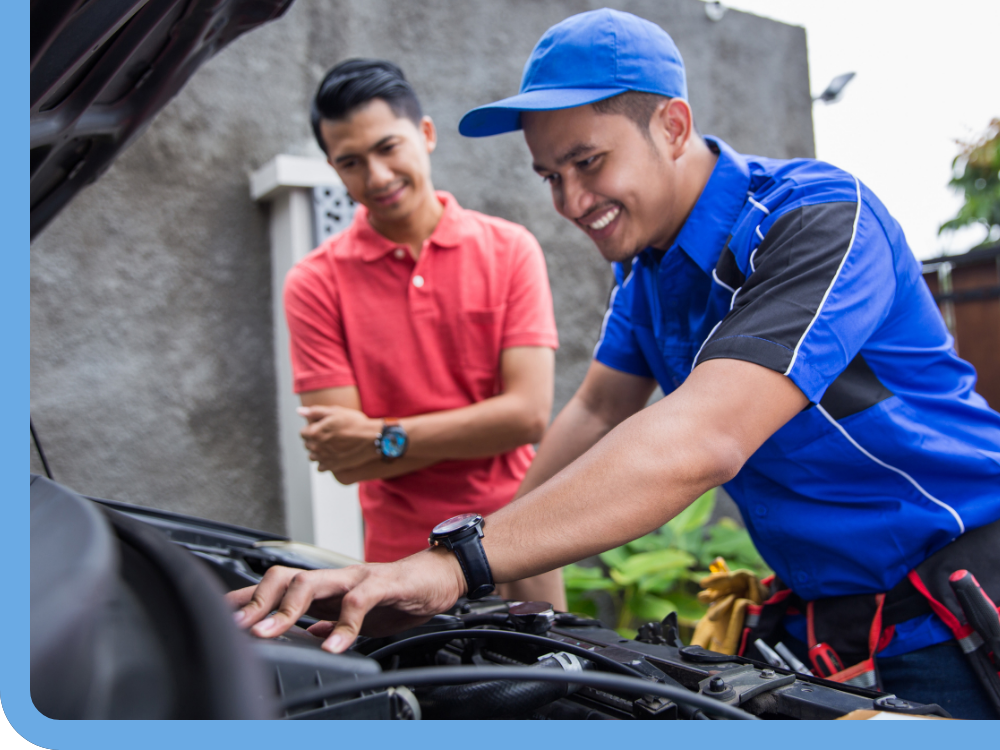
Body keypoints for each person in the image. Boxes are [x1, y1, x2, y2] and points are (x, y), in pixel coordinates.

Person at [231, 11, 1000, 717]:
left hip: (954, 604)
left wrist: (457, 564)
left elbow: (704, 434)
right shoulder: (646, 272)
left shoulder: (817, 222)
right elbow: (597, 412)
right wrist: (483, 574)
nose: (569, 200)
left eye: (588, 162)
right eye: (549, 175)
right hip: (827, 620)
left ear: (672, 124)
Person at [283, 58, 564, 605]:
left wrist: (385, 437)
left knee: (552, 690)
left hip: (519, 542)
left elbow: (526, 417)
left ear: (426, 134)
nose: (378, 177)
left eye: (389, 148)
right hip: (399, 561)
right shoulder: (314, 283)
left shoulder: (510, 250)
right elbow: (345, 460)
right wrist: (478, 429)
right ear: (334, 169)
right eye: (352, 162)